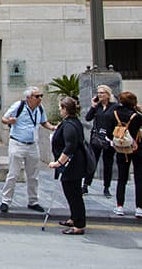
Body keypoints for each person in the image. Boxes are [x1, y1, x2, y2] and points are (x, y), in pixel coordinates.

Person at [0, 86, 56, 213]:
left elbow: (43, 122)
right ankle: (5, 201)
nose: (40, 98)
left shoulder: (40, 108)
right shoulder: (18, 106)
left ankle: (33, 201)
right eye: (37, 96)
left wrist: (52, 127)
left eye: (41, 96)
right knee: (13, 174)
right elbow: (4, 119)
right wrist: (10, 120)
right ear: (29, 97)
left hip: (33, 145)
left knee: (33, 175)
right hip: (17, 143)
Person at [48, 97, 87, 235]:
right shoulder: (71, 122)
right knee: (71, 193)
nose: (59, 110)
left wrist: (58, 163)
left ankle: (79, 225)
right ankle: (74, 218)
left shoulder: (69, 125)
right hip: (73, 164)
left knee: (74, 194)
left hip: (72, 165)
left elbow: (70, 146)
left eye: (60, 108)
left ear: (65, 109)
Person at [83, 84, 118, 197]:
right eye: (98, 93)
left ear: (108, 94)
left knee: (108, 163)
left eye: (102, 93)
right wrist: (93, 106)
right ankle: (86, 185)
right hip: (97, 138)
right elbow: (88, 118)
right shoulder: (97, 107)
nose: (99, 95)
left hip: (109, 139)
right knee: (92, 162)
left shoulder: (115, 107)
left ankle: (106, 188)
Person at [112, 91, 142, 218]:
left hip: (121, 148)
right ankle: (139, 208)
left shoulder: (115, 114)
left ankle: (119, 206)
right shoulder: (137, 116)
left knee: (122, 178)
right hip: (137, 148)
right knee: (139, 179)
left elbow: (109, 131)